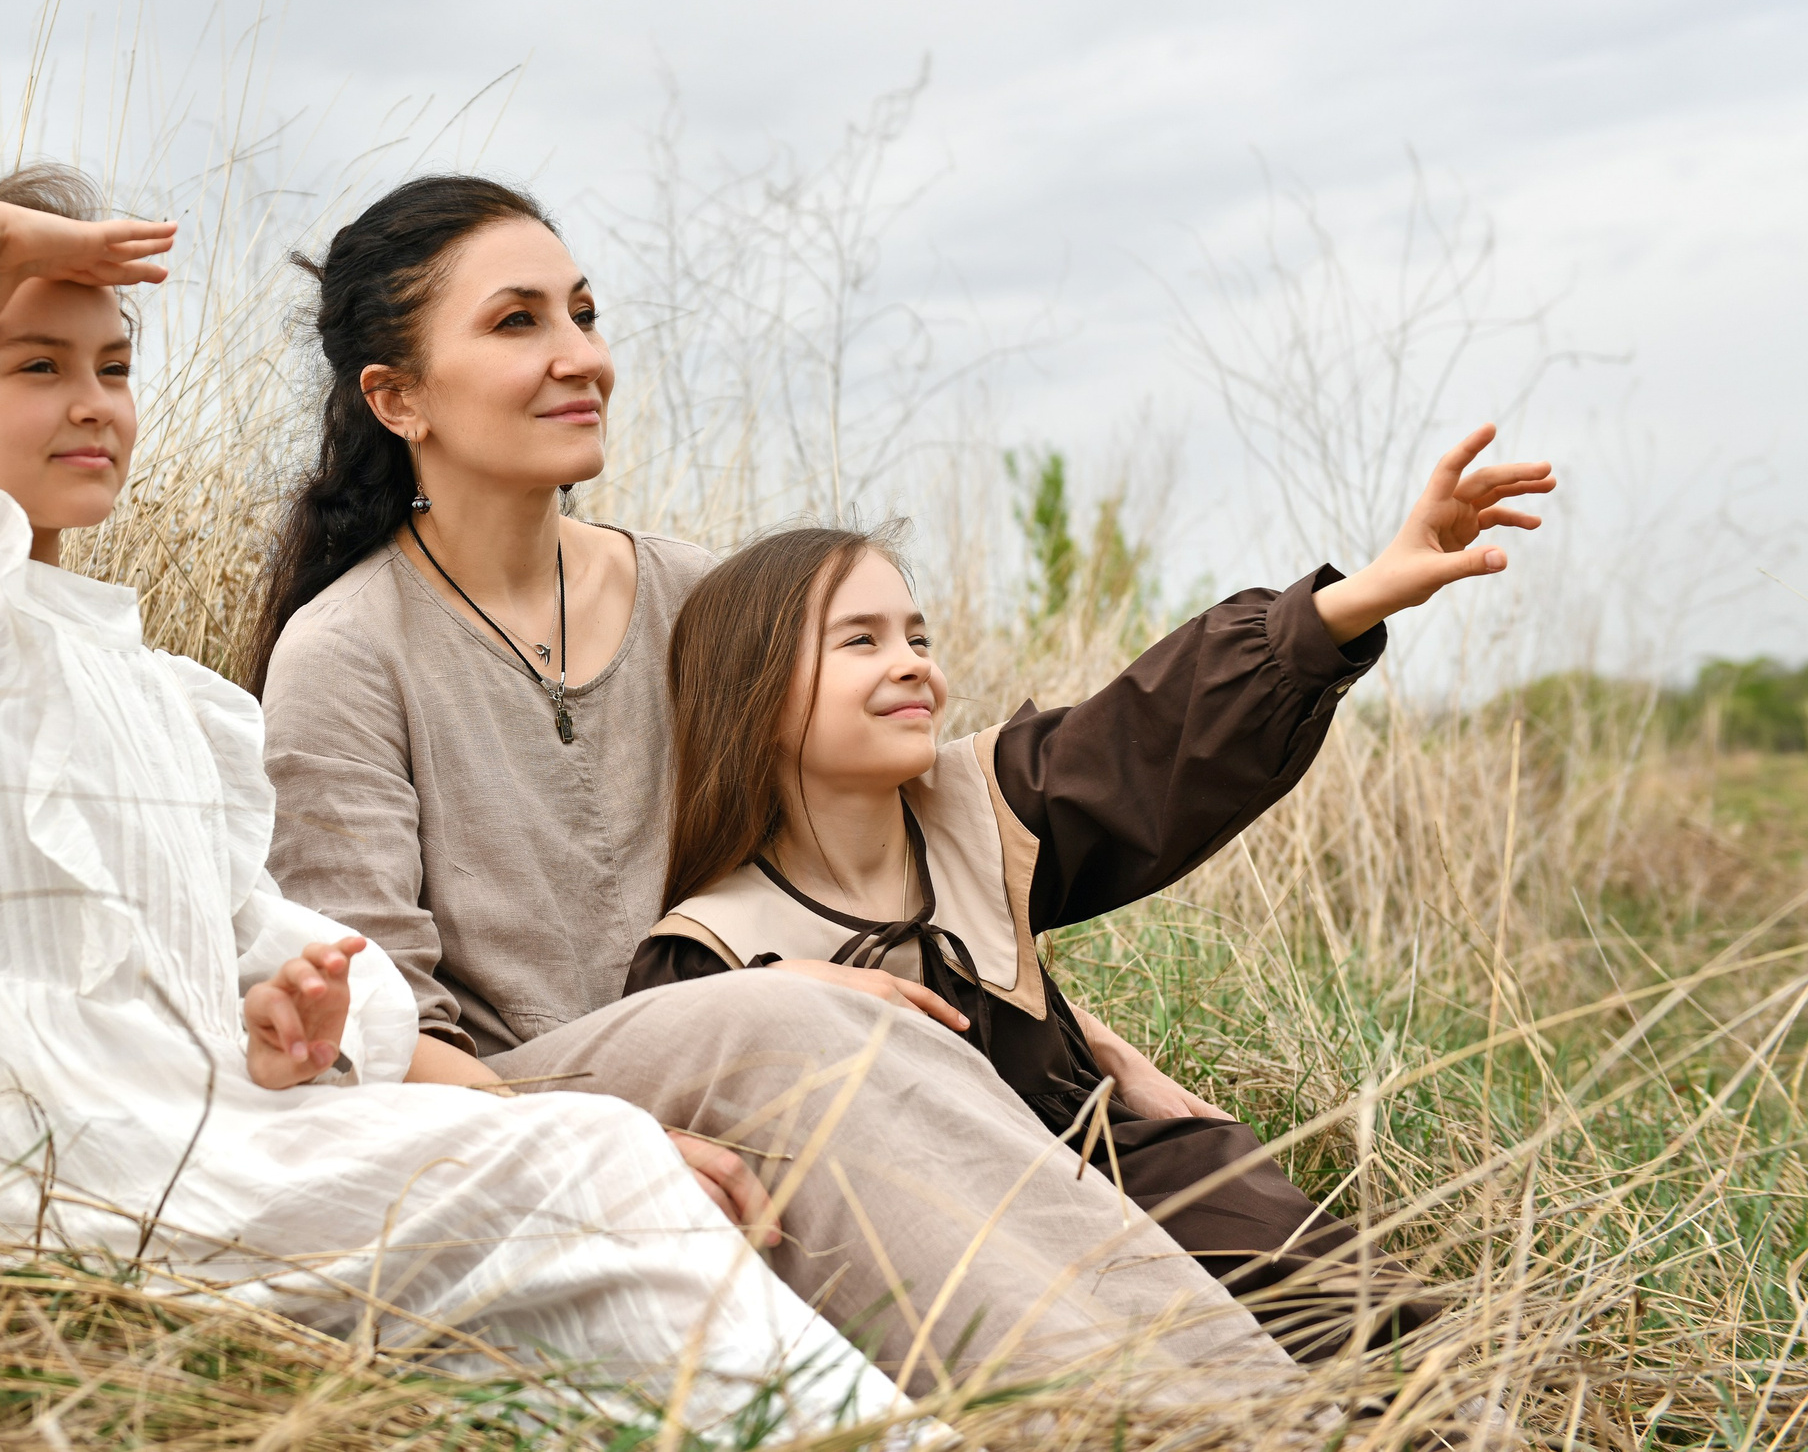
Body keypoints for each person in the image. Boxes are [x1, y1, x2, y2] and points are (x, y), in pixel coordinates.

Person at [0, 165, 930, 1440]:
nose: (92, 406)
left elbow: (259, 939)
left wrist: (288, 1022)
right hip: (50, 1150)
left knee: (599, 1171)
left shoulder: (154, 689)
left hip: (212, 1124)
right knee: (592, 1168)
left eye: (114, 369)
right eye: (33, 367)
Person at [255, 176, 1303, 1391]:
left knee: (1114, 1155)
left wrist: (1085, 1043)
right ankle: (1166, 1420)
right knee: (805, 1021)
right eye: (516, 323)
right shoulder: (344, 654)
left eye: (583, 314)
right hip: (523, 1095)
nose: (579, 357)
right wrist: (605, 1147)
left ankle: (1260, 1408)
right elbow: (381, 1025)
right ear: (397, 397)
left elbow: (883, 843)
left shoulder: (700, 596)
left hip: (793, 1035)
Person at [624, 470, 1548, 1357]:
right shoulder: (711, 955)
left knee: (1365, 1324)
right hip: (962, 1283)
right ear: (752, 692)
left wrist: (1360, 598)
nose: (911, 665)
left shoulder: (985, 802)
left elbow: (1149, 734)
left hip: (1128, 1180)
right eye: (860, 641)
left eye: (918, 636)